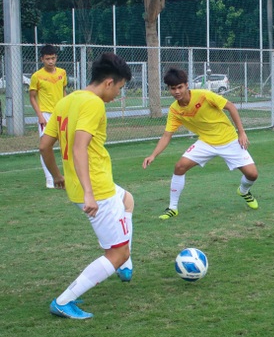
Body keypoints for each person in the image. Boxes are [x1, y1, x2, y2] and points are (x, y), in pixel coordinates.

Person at [39, 53, 134, 319]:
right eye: (119, 88)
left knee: (128, 200)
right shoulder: (94, 104)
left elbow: (44, 146)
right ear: (108, 83)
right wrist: (90, 194)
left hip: (83, 184)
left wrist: (57, 175)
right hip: (95, 188)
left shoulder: (66, 101)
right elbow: (80, 147)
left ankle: (125, 265)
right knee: (117, 252)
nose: (118, 94)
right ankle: (64, 301)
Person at [143, 68, 259, 219]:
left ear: (186, 85)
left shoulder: (204, 96)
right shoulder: (175, 110)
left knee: (252, 175)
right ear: (169, 89)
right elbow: (166, 135)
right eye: (173, 88)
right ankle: (172, 208)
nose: (177, 91)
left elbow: (230, 106)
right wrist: (153, 155)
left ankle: (243, 191)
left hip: (229, 139)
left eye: (180, 87)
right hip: (206, 143)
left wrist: (241, 132)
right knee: (179, 167)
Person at [29, 44, 68, 188]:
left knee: (66, 144)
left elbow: (64, 92)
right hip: (46, 114)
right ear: (42, 59)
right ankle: (50, 179)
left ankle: (67, 175)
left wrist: (66, 108)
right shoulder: (37, 76)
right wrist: (40, 115)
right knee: (45, 146)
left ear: (56, 58)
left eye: (53, 58)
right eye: (47, 59)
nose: (50, 61)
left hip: (61, 113)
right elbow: (32, 97)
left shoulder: (62, 73)